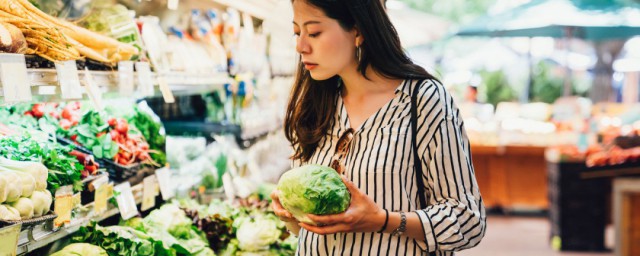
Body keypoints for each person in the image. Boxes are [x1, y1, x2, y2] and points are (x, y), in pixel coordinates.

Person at [271, 0, 486, 255]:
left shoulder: (423, 101)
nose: (300, 46)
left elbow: (467, 220)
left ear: (359, 30)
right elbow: (305, 231)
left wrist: (382, 220)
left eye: (314, 32)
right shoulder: (314, 103)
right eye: (297, 32)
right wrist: (291, 215)